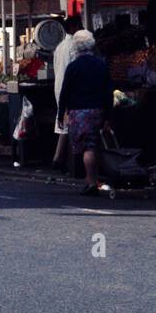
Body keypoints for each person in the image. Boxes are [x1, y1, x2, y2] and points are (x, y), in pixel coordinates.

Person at [57, 30, 114, 196]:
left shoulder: (73, 67)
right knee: (94, 146)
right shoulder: (101, 65)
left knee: (87, 148)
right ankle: (94, 180)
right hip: (97, 110)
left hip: (78, 112)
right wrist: (109, 116)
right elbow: (108, 92)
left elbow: (64, 93)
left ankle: (90, 181)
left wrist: (61, 114)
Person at [50, 14, 86, 171]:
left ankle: (58, 158)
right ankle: (72, 161)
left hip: (59, 87)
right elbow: (77, 69)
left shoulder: (60, 47)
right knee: (71, 123)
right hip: (70, 88)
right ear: (73, 27)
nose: (82, 28)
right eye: (79, 25)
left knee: (64, 123)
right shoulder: (74, 46)